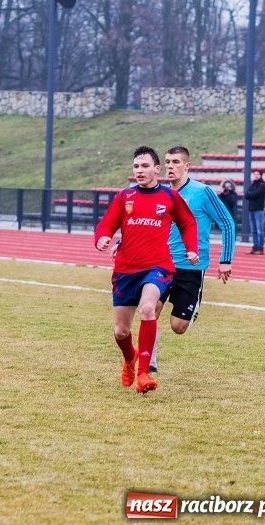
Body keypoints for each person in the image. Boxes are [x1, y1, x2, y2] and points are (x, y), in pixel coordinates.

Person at [94, 146, 198, 394]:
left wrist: (191, 248)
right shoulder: (125, 197)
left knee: (149, 307)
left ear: (156, 169)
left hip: (157, 266)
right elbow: (106, 224)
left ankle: (143, 373)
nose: (139, 171)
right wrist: (102, 238)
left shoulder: (169, 197)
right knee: (121, 332)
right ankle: (129, 359)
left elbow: (187, 223)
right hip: (126, 270)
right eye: (136, 167)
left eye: (144, 166)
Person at [147, 146, 235, 373]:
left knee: (178, 326)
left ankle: (192, 306)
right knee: (150, 308)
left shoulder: (202, 192)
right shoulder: (160, 194)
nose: (170, 167)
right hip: (162, 265)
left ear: (187, 166)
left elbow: (227, 223)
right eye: (167, 162)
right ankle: (150, 363)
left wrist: (225, 260)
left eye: (176, 162)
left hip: (191, 268)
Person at [244, 169, 265, 255]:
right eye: (255, 174)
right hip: (251, 209)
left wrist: (251, 194)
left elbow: (254, 194)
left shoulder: (262, 185)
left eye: (258, 174)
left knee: (259, 229)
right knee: (254, 230)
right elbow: (246, 195)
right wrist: (251, 194)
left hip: (258, 210)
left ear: (261, 175)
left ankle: (260, 248)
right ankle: (255, 246)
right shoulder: (253, 184)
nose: (256, 176)